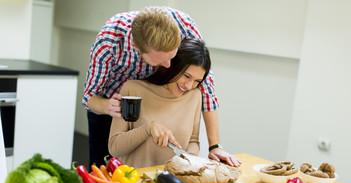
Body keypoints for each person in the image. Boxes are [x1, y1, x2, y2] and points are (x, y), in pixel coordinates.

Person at [82, 6, 241, 168]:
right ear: (136, 47)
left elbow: (207, 86)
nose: (168, 65)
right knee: (101, 170)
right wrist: (106, 106)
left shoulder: (185, 26)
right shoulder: (109, 40)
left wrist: (215, 146)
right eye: (160, 61)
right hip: (113, 102)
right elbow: (89, 96)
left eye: (172, 56)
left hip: (161, 95)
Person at [108, 39, 208, 167]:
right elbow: (114, 148)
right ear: (172, 66)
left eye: (197, 81)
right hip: (134, 182)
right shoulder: (133, 89)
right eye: (187, 76)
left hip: (172, 181)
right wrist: (148, 128)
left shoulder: (194, 95)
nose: (189, 86)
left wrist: (191, 160)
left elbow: (193, 141)